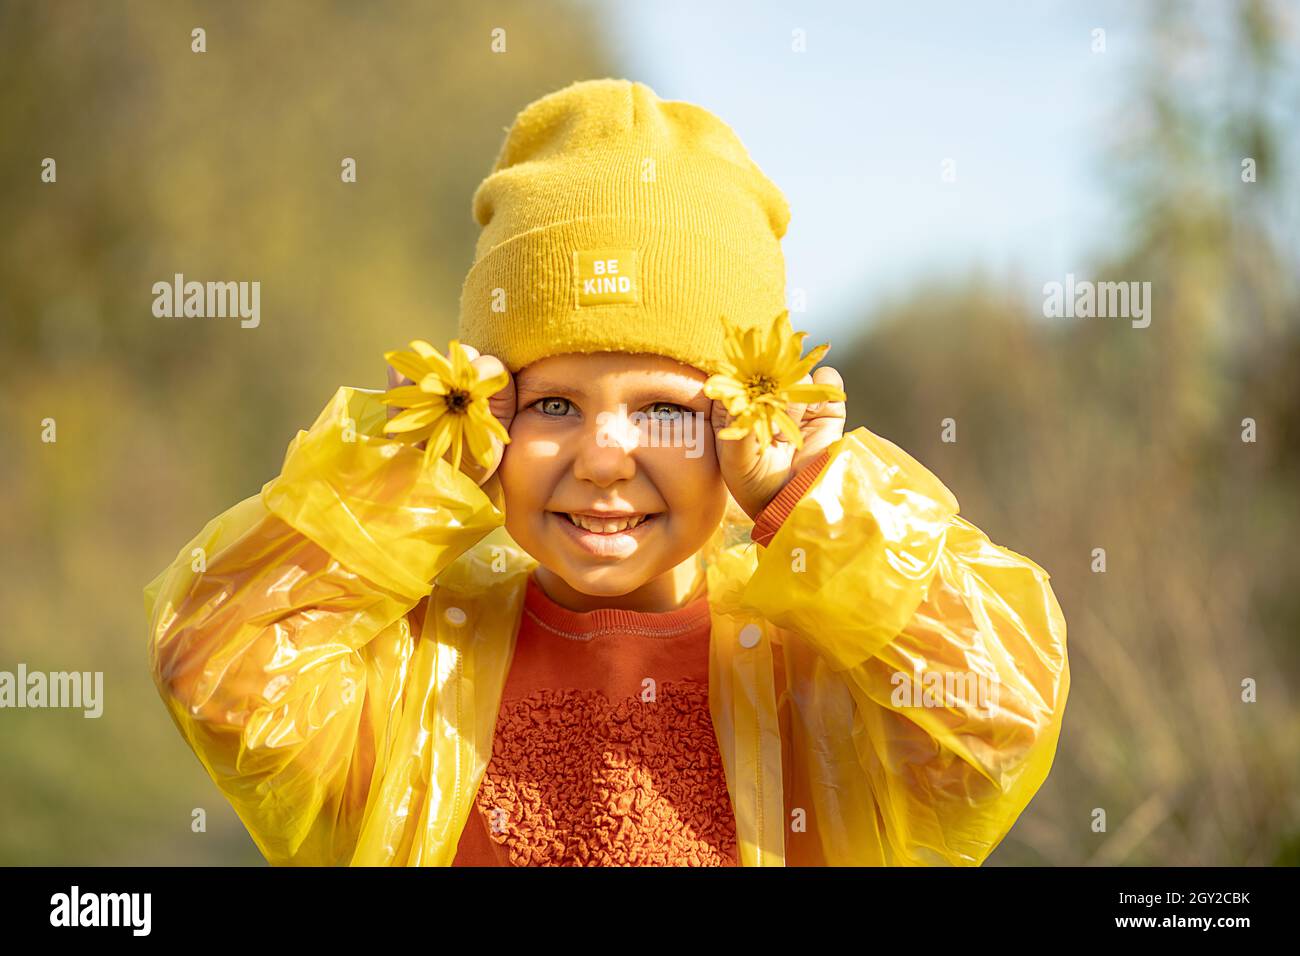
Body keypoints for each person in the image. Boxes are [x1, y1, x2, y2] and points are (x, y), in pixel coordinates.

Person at [144, 78, 1069, 866]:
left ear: (748, 419)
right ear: (484, 412)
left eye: (666, 409)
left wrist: (814, 495)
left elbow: (1000, 715)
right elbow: (216, 665)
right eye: (551, 405)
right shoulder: (424, 661)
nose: (600, 457)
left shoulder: (813, 680)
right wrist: (398, 478)